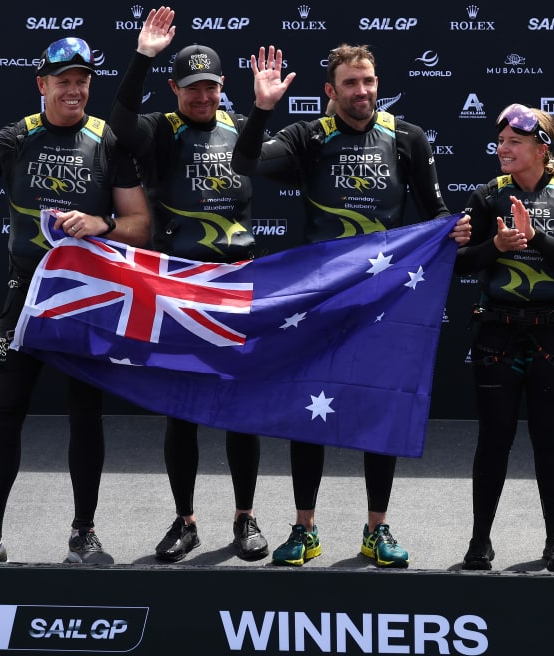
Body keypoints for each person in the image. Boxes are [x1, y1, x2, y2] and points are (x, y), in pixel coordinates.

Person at [231, 43, 470, 568]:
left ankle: (377, 532)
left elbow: (436, 214)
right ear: (330, 92)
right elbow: (245, 162)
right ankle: (304, 529)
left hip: (383, 300)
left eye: (368, 82)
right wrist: (264, 107)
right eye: (350, 84)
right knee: (305, 414)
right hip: (320, 299)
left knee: (380, 408)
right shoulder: (308, 138)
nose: (361, 92)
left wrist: (460, 231)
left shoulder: (407, 138)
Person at [0, 37, 151, 564]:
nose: (73, 89)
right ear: (42, 84)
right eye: (63, 79)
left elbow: (141, 224)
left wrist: (104, 224)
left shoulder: (109, 140)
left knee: (85, 414)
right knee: (4, 412)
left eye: (81, 80)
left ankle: (84, 535)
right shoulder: (13, 139)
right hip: (25, 297)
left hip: (87, 301)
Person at [109, 6, 294, 563]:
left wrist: (262, 110)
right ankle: (185, 520)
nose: (202, 97)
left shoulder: (240, 128)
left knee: (240, 406)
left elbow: (257, 157)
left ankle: (246, 518)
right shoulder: (159, 130)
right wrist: (142, 58)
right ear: (175, 87)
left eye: (210, 87)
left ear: (222, 87)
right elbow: (118, 124)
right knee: (183, 409)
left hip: (236, 282)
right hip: (179, 284)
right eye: (191, 88)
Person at [454, 104, 554, 572]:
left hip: (553, 332)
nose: (503, 149)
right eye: (500, 142)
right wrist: (494, 246)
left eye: (514, 142)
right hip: (497, 330)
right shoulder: (487, 195)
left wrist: (534, 238)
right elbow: (458, 263)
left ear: (541, 148)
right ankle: (479, 541)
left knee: (548, 439)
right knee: (493, 438)